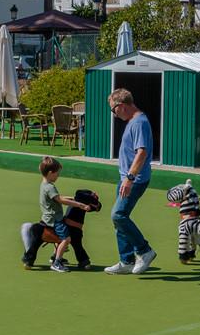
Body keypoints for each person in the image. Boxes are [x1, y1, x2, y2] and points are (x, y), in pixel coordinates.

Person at [104, 88, 156, 275]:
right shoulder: (133, 121)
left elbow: (142, 152)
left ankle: (144, 250)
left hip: (134, 179)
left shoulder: (139, 122)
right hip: (126, 178)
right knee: (120, 219)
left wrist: (130, 178)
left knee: (118, 215)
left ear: (122, 106)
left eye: (113, 109)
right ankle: (126, 261)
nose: (113, 113)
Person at [24, 157, 92, 273]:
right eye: (57, 174)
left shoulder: (44, 184)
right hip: (54, 219)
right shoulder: (50, 187)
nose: (58, 176)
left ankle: (30, 260)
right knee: (66, 239)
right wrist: (79, 205)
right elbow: (60, 200)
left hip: (47, 218)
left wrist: (70, 197)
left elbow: (56, 198)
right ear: (50, 173)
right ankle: (57, 262)